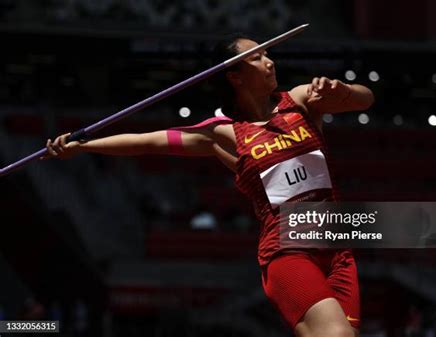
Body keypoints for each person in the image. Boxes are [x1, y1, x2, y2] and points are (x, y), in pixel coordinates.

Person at [44, 34, 374, 337]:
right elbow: (150, 142)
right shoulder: (222, 133)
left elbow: (365, 99)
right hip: (288, 250)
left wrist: (340, 91)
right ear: (234, 75)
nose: (270, 61)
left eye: (268, 54)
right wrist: (84, 146)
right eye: (257, 57)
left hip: (337, 247)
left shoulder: (301, 100)